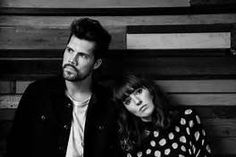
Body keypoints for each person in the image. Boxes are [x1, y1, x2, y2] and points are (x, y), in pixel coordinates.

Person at [7, 18, 120, 157]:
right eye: (70, 50)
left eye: (82, 55)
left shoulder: (108, 102)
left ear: (96, 63)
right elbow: (15, 146)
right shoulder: (38, 93)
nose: (72, 60)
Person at [112, 74, 212, 157]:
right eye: (128, 101)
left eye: (139, 91)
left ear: (150, 91)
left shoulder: (186, 118)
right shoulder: (129, 138)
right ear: (125, 109)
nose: (137, 101)